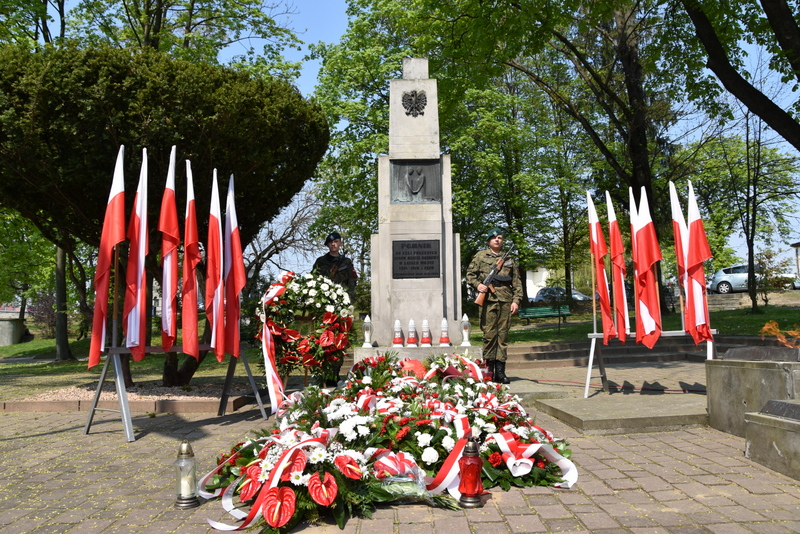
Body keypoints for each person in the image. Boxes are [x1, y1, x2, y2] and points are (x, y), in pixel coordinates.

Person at [466, 228, 522, 384]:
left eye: (500, 238)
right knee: (489, 336)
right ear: (488, 240)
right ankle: (489, 372)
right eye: (494, 238)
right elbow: (470, 275)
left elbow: (517, 282)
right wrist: (478, 286)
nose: (498, 240)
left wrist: (516, 300)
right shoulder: (480, 256)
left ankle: (501, 373)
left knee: (502, 337)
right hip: (488, 301)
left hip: (505, 301)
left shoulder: (509, 259)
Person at [312, 231, 357, 386]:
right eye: (331, 242)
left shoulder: (346, 262)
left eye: (336, 242)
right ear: (327, 245)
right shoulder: (320, 262)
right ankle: (323, 374)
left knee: (339, 340)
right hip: (324, 307)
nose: (334, 244)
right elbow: (314, 281)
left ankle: (335, 374)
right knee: (323, 340)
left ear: (340, 244)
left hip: (340, 308)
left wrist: (348, 302)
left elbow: (352, 283)